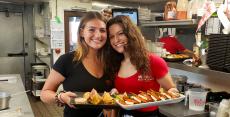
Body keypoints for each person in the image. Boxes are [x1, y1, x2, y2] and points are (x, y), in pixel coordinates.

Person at [40, 11, 113, 117]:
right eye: (91, 29)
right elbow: (44, 93)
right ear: (82, 32)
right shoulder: (67, 60)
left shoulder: (110, 61)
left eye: (102, 30)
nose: (98, 35)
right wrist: (61, 97)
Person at [104, 15, 178, 117]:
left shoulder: (154, 61)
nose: (116, 40)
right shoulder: (114, 63)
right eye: (111, 36)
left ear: (131, 34)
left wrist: (173, 92)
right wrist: (114, 92)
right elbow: (118, 91)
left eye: (120, 34)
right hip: (123, 114)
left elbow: (171, 90)